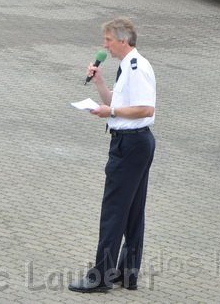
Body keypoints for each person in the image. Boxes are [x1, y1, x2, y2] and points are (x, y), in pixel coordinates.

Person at [69, 17, 157, 293]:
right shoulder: (125, 67)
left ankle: (101, 276)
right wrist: (99, 83)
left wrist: (113, 113)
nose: (104, 45)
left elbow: (146, 109)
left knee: (114, 211)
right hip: (133, 143)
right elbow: (115, 103)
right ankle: (127, 272)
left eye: (108, 40)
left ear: (122, 40)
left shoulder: (137, 67)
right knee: (131, 210)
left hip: (130, 145)